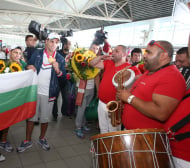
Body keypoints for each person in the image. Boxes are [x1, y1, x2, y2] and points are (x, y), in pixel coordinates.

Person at [116, 40, 186, 130]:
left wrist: (129, 98)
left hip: (146, 139)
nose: (144, 55)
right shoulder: (151, 71)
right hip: (133, 133)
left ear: (163, 56)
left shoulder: (172, 77)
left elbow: (161, 113)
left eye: (148, 52)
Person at [16, 32, 66, 152]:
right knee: (31, 117)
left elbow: (63, 79)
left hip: (49, 93)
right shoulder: (37, 53)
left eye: (56, 42)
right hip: (34, 91)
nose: (54, 44)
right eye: (52, 41)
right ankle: (27, 140)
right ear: (46, 41)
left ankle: (42, 138)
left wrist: (58, 70)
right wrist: (28, 67)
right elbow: (27, 66)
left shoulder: (60, 59)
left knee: (45, 118)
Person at [90, 45, 141, 133]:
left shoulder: (131, 68)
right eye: (113, 50)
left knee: (113, 131)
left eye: (116, 51)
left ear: (124, 54)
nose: (113, 52)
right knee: (103, 129)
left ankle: (111, 147)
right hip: (102, 102)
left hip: (116, 106)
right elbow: (91, 63)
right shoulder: (108, 63)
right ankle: (104, 145)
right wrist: (101, 57)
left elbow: (140, 84)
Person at [0, 45, 26, 153]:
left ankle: (3, 141)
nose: (18, 55)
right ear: (10, 53)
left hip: (11, 99)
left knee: (7, 122)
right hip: (2, 97)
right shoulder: (3, 64)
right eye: (16, 53)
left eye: (20, 54)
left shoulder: (21, 67)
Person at [75, 42, 100, 138]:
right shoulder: (82, 59)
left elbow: (97, 76)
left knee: (87, 107)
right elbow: (77, 72)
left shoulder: (98, 62)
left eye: (96, 49)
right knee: (81, 108)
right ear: (89, 48)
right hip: (81, 87)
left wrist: (97, 90)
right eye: (93, 48)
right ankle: (78, 127)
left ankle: (83, 124)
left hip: (91, 88)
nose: (94, 50)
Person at [52, 38, 71, 119]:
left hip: (65, 79)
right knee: (55, 98)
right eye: (66, 44)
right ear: (63, 44)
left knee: (66, 97)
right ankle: (55, 114)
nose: (68, 45)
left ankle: (64, 112)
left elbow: (71, 67)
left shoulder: (72, 55)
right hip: (56, 79)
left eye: (69, 44)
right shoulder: (57, 53)